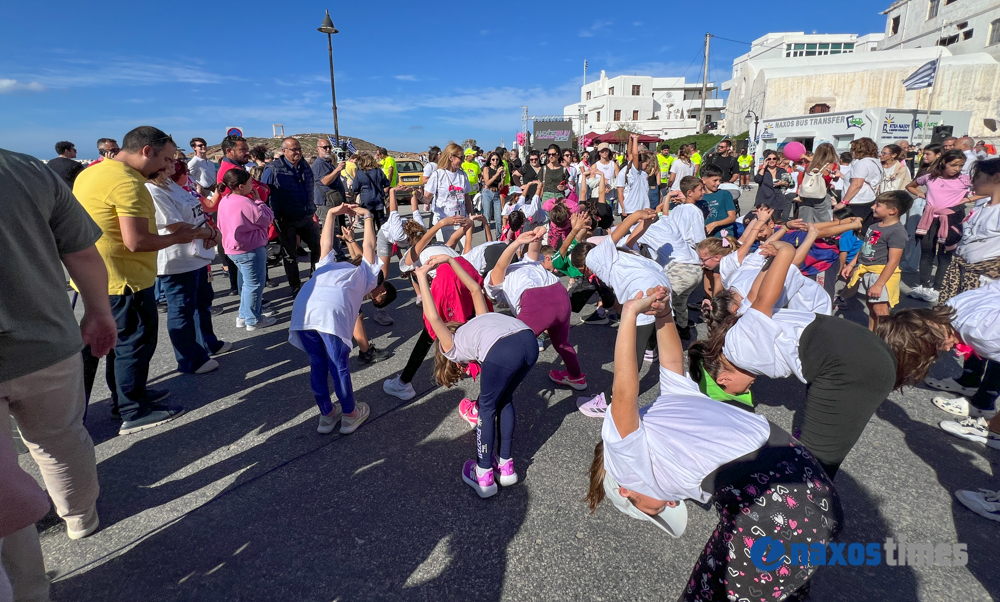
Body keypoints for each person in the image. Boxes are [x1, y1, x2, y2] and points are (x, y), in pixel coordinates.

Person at [586, 285, 842, 601]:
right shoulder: (674, 402)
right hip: (810, 481)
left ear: (626, 492)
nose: (667, 506)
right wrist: (664, 314)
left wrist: (629, 314)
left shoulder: (626, 467)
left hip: (773, 506)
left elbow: (624, 394)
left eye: (652, 512)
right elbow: (671, 360)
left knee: (707, 594)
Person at [0, 147, 118, 602]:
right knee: (59, 437)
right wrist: (99, 313)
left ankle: (26, 584)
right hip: (46, 337)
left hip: (44, 340)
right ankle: (79, 516)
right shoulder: (26, 168)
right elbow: (83, 254)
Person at [693, 238, 897, 478]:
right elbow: (755, 293)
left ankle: (808, 508)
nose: (749, 388)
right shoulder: (736, 328)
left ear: (723, 380)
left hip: (850, 363)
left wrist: (786, 252)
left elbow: (764, 298)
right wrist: (771, 259)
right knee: (809, 455)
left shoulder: (739, 350)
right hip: (854, 346)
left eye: (738, 392)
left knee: (814, 463)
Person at [75, 126, 213, 435]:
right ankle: (132, 410)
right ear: (146, 151)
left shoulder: (92, 173)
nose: (167, 167)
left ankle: (125, 397)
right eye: (165, 159)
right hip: (126, 279)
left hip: (96, 275)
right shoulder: (128, 183)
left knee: (115, 345)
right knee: (133, 345)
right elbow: (136, 241)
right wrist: (178, 236)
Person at [415, 255, 538, 498]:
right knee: (505, 399)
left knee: (487, 407)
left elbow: (433, 317)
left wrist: (421, 277)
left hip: (503, 349)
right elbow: (473, 287)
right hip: (528, 338)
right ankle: (506, 466)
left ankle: (484, 475)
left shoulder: (451, 346)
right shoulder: (480, 319)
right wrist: (450, 261)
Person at [288, 203, 380, 436]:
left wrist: (330, 213)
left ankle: (327, 413)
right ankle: (350, 414)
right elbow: (369, 245)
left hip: (304, 310)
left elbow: (325, 244)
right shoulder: (366, 275)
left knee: (317, 363)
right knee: (339, 366)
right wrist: (368, 216)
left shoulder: (329, 266)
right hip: (330, 313)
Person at [146, 158, 230, 373]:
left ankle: (208, 343)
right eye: (168, 158)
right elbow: (176, 225)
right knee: (182, 309)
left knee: (203, 302)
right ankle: (189, 359)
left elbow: (198, 213)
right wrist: (210, 233)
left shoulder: (172, 185)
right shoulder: (153, 190)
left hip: (197, 254)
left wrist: (213, 232)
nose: (175, 163)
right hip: (177, 260)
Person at [487, 228, 586, 390]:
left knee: (511, 349)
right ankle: (576, 377)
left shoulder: (495, 276)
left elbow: (500, 265)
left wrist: (518, 241)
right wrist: (537, 235)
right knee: (562, 343)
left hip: (537, 301)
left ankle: (489, 398)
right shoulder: (529, 261)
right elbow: (534, 248)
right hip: (559, 293)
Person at [905, 150, 983, 302]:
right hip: (930, 218)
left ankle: (938, 288)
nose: (957, 169)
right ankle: (923, 286)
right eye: (953, 165)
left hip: (951, 219)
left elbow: (987, 190)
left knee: (945, 254)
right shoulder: (930, 177)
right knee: (926, 252)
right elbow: (911, 186)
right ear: (943, 163)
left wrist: (968, 199)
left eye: (960, 165)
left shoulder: (965, 180)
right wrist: (923, 195)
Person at [639, 176, 706, 337]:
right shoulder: (693, 211)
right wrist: (703, 258)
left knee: (663, 299)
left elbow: (666, 215)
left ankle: (658, 335)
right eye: (701, 189)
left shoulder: (674, 213)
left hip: (680, 264)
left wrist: (668, 197)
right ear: (690, 193)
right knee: (679, 300)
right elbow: (699, 238)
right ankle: (682, 328)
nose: (703, 192)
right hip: (691, 259)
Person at [261, 137, 321, 297]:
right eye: (294, 149)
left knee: (318, 248)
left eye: (299, 148)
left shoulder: (305, 166)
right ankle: (296, 289)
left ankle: (315, 281)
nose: (298, 152)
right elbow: (262, 195)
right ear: (284, 151)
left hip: (306, 217)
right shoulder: (273, 169)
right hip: (284, 219)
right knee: (290, 255)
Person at [841, 191, 911, 328]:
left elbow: (893, 261)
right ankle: (873, 334)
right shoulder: (874, 226)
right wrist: (851, 264)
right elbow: (865, 247)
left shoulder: (897, 232)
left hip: (881, 274)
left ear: (892, 211)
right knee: (871, 307)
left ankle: (888, 340)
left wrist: (879, 284)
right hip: (868, 272)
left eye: (878, 205)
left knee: (881, 311)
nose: (873, 207)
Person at [219, 168, 276, 331]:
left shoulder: (226, 200)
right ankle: (253, 320)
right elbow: (266, 219)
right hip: (250, 248)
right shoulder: (245, 203)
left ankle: (244, 315)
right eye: (250, 183)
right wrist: (259, 202)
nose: (253, 186)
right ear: (241, 186)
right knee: (254, 285)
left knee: (247, 284)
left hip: (233, 248)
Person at [937, 158, 1000, 303]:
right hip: (963, 271)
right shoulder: (981, 206)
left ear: (996, 176)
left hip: (987, 280)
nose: (973, 182)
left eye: (978, 177)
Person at [423, 143, 473, 243]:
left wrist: (471, 218)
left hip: (461, 221)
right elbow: (427, 198)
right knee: (447, 253)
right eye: (461, 157)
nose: (463, 160)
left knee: (465, 255)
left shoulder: (463, 175)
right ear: (451, 157)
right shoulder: (438, 175)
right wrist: (418, 196)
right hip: (444, 222)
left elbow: (467, 198)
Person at [836, 137, 884, 230]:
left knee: (850, 230)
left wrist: (843, 202)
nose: (851, 151)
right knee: (863, 229)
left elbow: (857, 184)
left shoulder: (861, 163)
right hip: (868, 199)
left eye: (852, 149)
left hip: (856, 201)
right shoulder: (875, 162)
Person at [795, 143, 838, 224]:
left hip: (807, 194)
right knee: (822, 222)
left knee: (804, 221)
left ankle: (804, 236)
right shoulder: (834, 165)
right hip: (822, 195)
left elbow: (804, 177)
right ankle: (819, 236)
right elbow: (835, 179)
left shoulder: (809, 165)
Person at [351, 151, 389, 227]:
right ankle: (381, 238)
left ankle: (371, 237)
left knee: (369, 222)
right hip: (378, 199)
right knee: (381, 222)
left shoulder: (360, 173)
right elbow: (386, 183)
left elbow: (355, 188)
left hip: (366, 200)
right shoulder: (378, 171)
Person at [700, 164, 737, 237]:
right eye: (715, 180)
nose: (718, 183)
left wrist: (714, 224)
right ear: (703, 180)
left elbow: (732, 217)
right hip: (705, 236)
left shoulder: (725, 194)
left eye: (720, 180)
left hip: (723, 235)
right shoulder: (699, 196)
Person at [616, 134, 647, 217]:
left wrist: (630, 139)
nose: (648, 164)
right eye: (646, 162)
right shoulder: (634, 170)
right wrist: (635, 139)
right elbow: (634, 155)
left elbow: (629, 153)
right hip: (631, 208)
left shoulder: (642, 172)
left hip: (640, 208)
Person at [754, 151, 790, 220]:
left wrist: (783, 183)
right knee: (763, 222)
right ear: (766, 160)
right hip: (764, 200)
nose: (772, 160)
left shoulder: (782, 171)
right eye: (769, 159)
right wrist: (764, 167)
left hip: (778, 200)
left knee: (776, 222)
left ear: (777, 160)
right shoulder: (762, 171)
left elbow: (791, 184)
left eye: (774, 158)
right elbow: (757, 180)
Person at [480, 151, 506, 239]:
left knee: (498, 218)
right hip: (487, 192)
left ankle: (498, 237)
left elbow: (501, 186)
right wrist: (497, 174)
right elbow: (487, 182)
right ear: (490, 160)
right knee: (487, 217)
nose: (495, 161)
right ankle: (488, 238)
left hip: (496, 193)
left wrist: (503, 178)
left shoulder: (499, 169)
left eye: (497, 159)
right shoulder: (486, 169)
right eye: (493, 159)